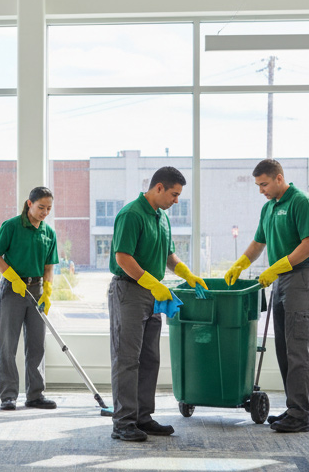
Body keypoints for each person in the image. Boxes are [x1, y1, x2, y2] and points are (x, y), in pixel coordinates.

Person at [108, 166, 207, 442]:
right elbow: (123, 258)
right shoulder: (131, 214)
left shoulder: (162, 217)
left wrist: (187, 274)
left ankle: (142, 417)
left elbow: (168, 255)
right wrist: (152, 284)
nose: (176, 201)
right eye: (174, 194)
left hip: (153, 295)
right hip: (129, 291)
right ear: (159, 187)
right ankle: (123, 422)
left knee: (149, 358)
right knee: (127, 358)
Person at [225, 158, 309, 433]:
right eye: (258, 185)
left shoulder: (301, 202)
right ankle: (301, 409)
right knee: (284, 348)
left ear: (279, 178)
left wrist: (279, 266)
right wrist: (240, 264)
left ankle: (299, 414)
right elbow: (258, 243)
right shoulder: (268, 208)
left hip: (302, 277)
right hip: (282, 280)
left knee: (298, 347)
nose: (261, 190)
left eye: (264, 184)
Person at [0, 186, 59, 411]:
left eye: (48, 208)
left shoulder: (49, 232)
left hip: (37, 290)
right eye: (41, 207)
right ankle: (8, 396)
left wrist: (47, 291)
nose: (45, 212)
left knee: (37, 343)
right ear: (29, 204)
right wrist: (12, 277)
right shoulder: (11, 226)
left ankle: (35, 395)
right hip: (13, 290)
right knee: (9, 344)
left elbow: (49, 266)